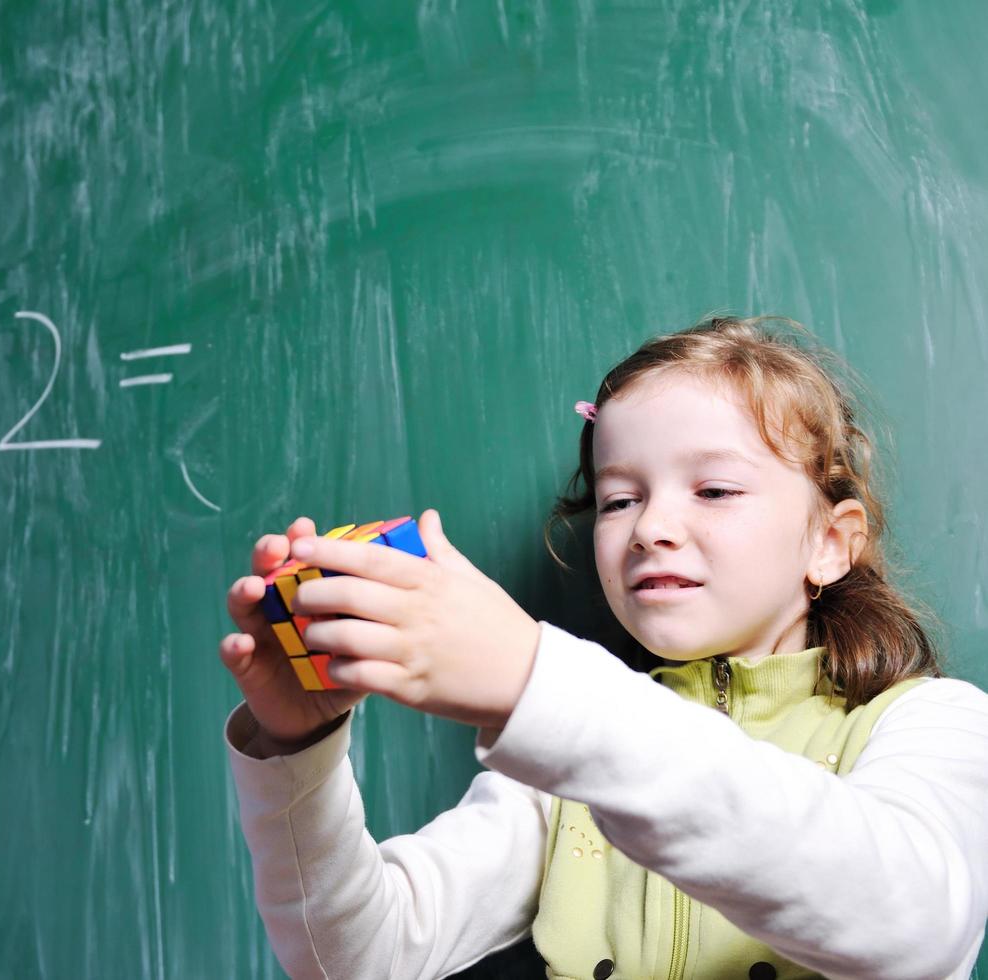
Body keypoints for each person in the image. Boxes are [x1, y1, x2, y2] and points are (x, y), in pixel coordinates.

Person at [218, 315, 988, 979]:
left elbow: (914, 925)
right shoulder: (554, 780)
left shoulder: (933, 723)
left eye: (714, 490)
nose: (651, 527)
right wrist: (300, 749)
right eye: (620, 499)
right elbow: (359, 958)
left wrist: (536, 682)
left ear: (829, 543)